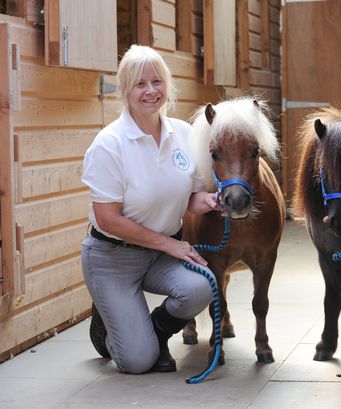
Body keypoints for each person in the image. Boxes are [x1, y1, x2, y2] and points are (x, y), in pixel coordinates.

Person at [81, 45, 220, 374]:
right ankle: (110, 322)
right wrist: (172, 244)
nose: (150, 91)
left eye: (157, 82)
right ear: (124, 90)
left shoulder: (184, 134)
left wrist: (214, 203)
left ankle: (152, 332)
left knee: (201, 287)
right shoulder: (108, 144)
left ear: (167, 86)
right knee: (136, 362)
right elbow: (108, 219)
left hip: (159, 255)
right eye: (139, 84)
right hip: (113, 257)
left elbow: (190, 198)